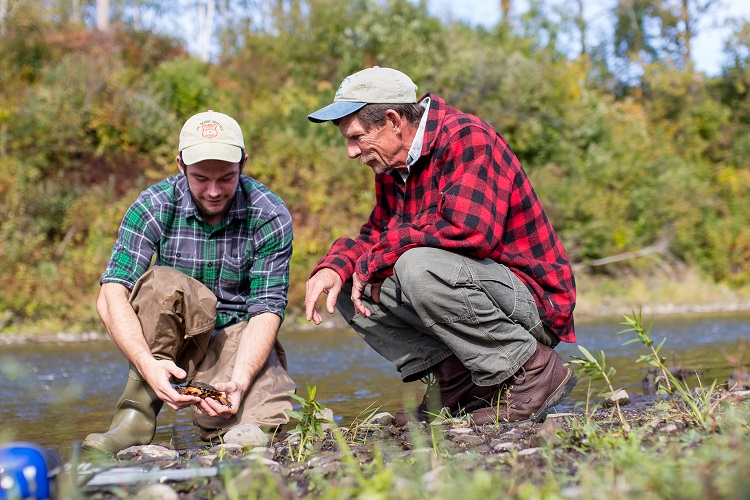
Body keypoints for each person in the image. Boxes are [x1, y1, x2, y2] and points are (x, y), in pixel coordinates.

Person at [304, 67, 577, 425]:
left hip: (534, 302)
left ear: (393, 120)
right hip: (477, 293)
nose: (351, 152)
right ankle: (459, 380)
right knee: (344, 282)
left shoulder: (468, 138)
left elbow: (470, 233)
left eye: (356, 137)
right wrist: (334, 265)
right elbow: (376, 232)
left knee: (415, 266)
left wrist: (377, 258)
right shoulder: (391, 164)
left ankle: (533, 369)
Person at [83, 110, 296, 456]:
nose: (213, 191)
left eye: (226, 178)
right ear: (180, 165)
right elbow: (111, 294)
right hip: (171, 339)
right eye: (200, 178)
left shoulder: (269, 213)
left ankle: (222, 421)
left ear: (243, 163)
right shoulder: (152, 205)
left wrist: (240, 381)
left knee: (261, 432)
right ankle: (133, 419)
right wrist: (146, 364)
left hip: (235, 336)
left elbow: (267, 309)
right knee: (161, 284)